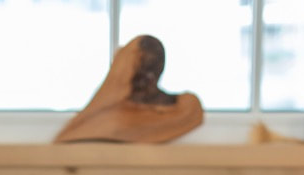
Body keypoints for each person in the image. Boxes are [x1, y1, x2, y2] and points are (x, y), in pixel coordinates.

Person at [54, 34, 204, 144]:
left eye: (152, 70)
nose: (146, 80)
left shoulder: (185, 106)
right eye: (140, 73)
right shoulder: (103, 120)